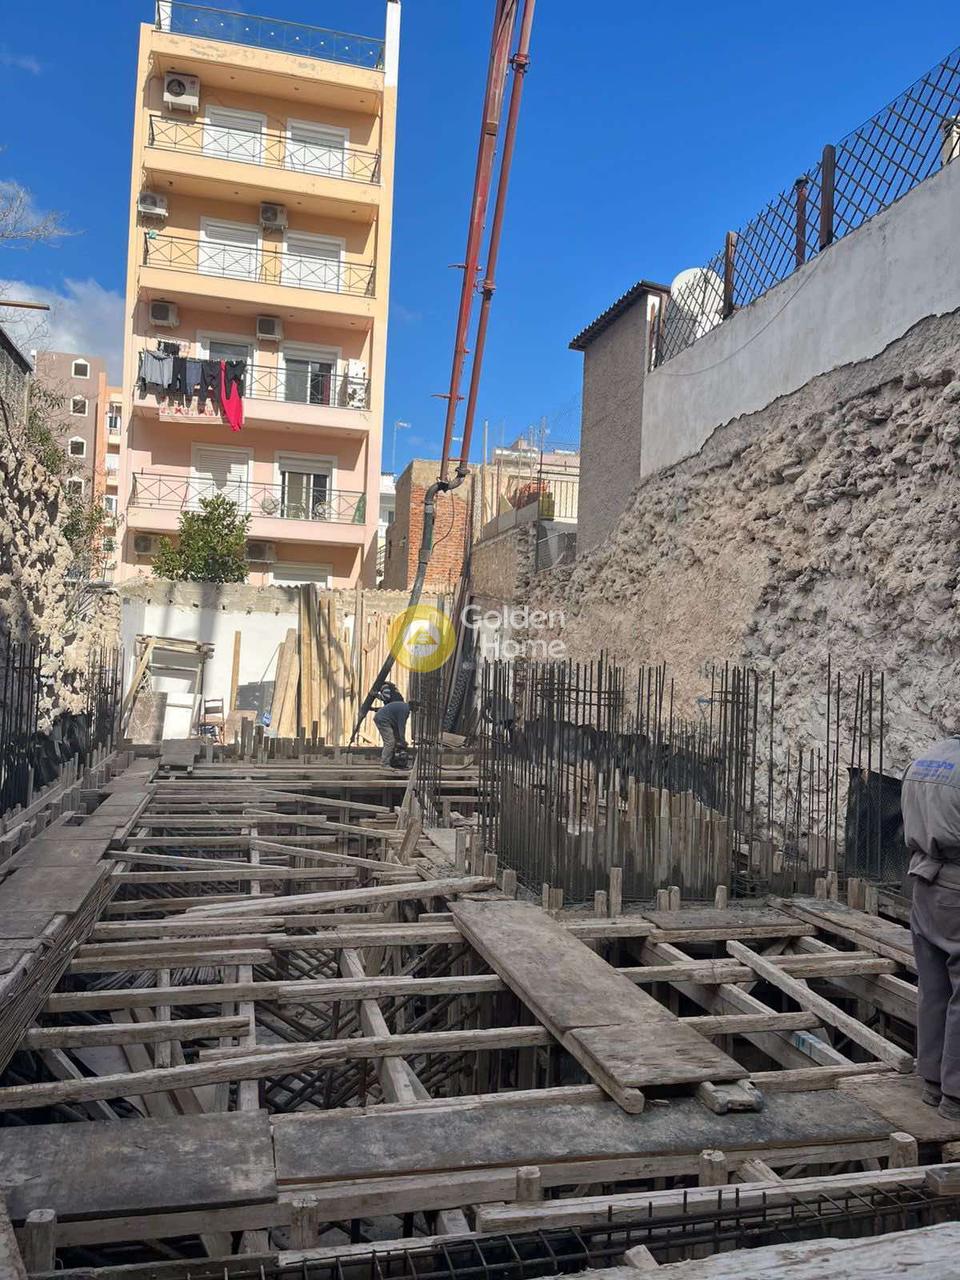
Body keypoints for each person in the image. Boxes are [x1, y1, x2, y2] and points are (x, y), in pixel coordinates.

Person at [903, 734, 960, 1119]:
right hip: (956, 885)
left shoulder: (925, 759)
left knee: (934, 985)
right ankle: (955, 1097)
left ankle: (932, 1081)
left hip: (923, 880)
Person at [374, 696, 419, 768]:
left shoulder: (404, 707)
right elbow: (401, 726)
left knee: (395, 740)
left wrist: (399, 739)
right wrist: (402, 740)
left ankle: (392, 761)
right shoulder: (405, 710)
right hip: (383, 719)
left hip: (387, 719)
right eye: (417, 707)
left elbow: (398, 726)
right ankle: (384, 763)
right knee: (390, 742)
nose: (418, 709)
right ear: (413, 706)